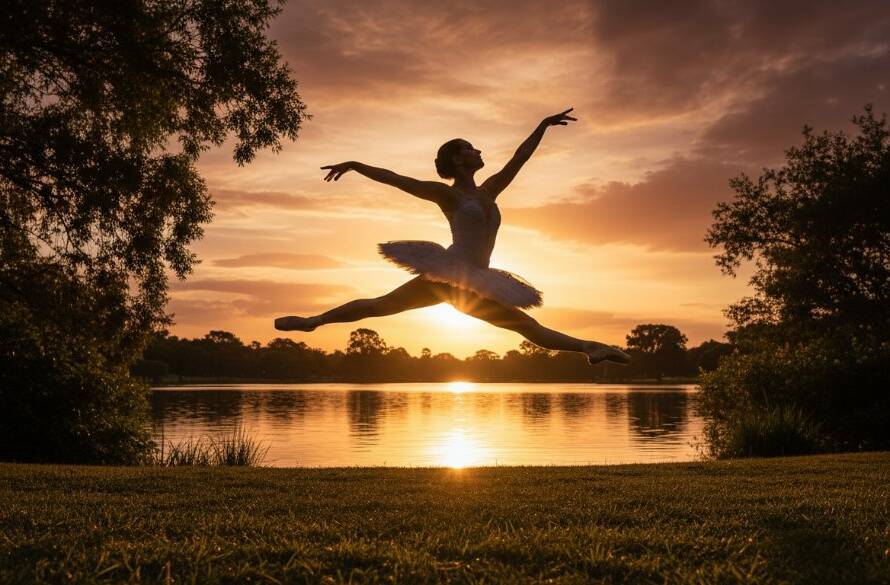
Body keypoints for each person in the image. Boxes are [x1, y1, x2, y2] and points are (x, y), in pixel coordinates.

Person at [275, 108, 630, 365]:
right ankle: (313, 322)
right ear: (459, 160)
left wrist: (542, 126)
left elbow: (519, 159)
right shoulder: (449, 195)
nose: (479, 152)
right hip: (451, 273)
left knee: (524, 325)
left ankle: (591, 348)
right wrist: (355, 165)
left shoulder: (490, 191)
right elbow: (397, 178)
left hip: (477, 278)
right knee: (381, 307)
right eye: (471, 148)